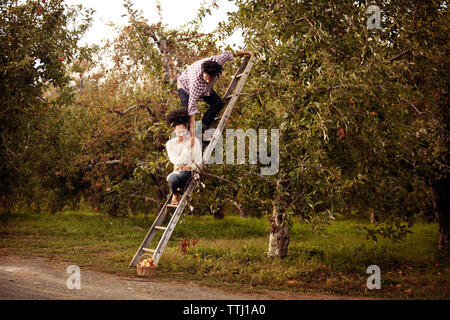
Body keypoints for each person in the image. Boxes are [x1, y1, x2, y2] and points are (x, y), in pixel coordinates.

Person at [177, 50, 252, 147]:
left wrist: (248, 52)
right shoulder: (196, 83)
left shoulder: (217, 61)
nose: (208, 79)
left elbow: (229, 53)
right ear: (203, 72)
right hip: (185, 86)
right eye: (207, 76)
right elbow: (192, 110)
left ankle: (201, 132)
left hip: (205, 88)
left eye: (211, 77)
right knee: (187, 112)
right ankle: (187, 138)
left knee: (218, 103)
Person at [165, 109, 203, 205]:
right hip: (177, 171)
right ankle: (175, 195)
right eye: (178, 132)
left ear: (187, 128)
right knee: (173, 180)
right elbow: (177, 162)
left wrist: (191, 167)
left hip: (191, 173)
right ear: (174, 130)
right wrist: (187, 147)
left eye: (183, 131)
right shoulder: (170, 144)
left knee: (184, 174)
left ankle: (181, 192)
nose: (181, 134)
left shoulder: (195, 142)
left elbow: (199, 163)